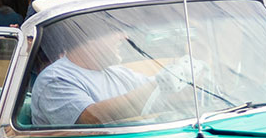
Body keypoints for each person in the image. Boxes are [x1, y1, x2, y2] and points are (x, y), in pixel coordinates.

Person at [27, 16, 166, 127]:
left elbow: (162, 93)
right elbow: (91, 119)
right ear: (89, 39)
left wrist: (182, 80)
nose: (124, 36)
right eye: (114, 30)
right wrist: (160, 83)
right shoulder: (55, 79)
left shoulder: (117, 72)